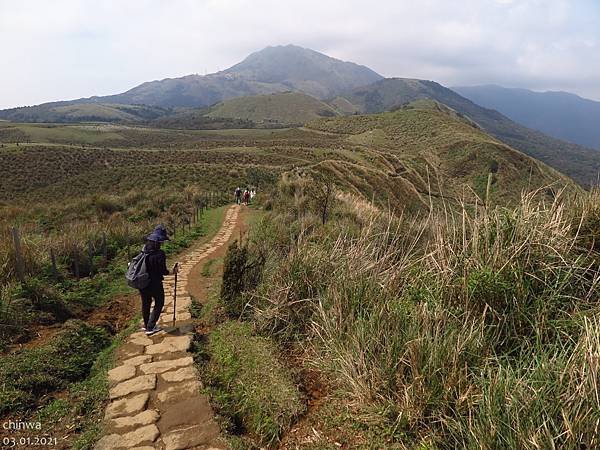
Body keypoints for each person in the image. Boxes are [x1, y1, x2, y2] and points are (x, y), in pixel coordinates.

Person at [140, 225, 178, 335]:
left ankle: (146, 324)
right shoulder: (160, 254)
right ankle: (150, 327)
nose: (162, 243)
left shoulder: (144, 250)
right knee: (159, 302)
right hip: (154, 283)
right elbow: (162, 271)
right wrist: (172, 271)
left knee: (145, 303)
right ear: (159, 241)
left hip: (142, 282)